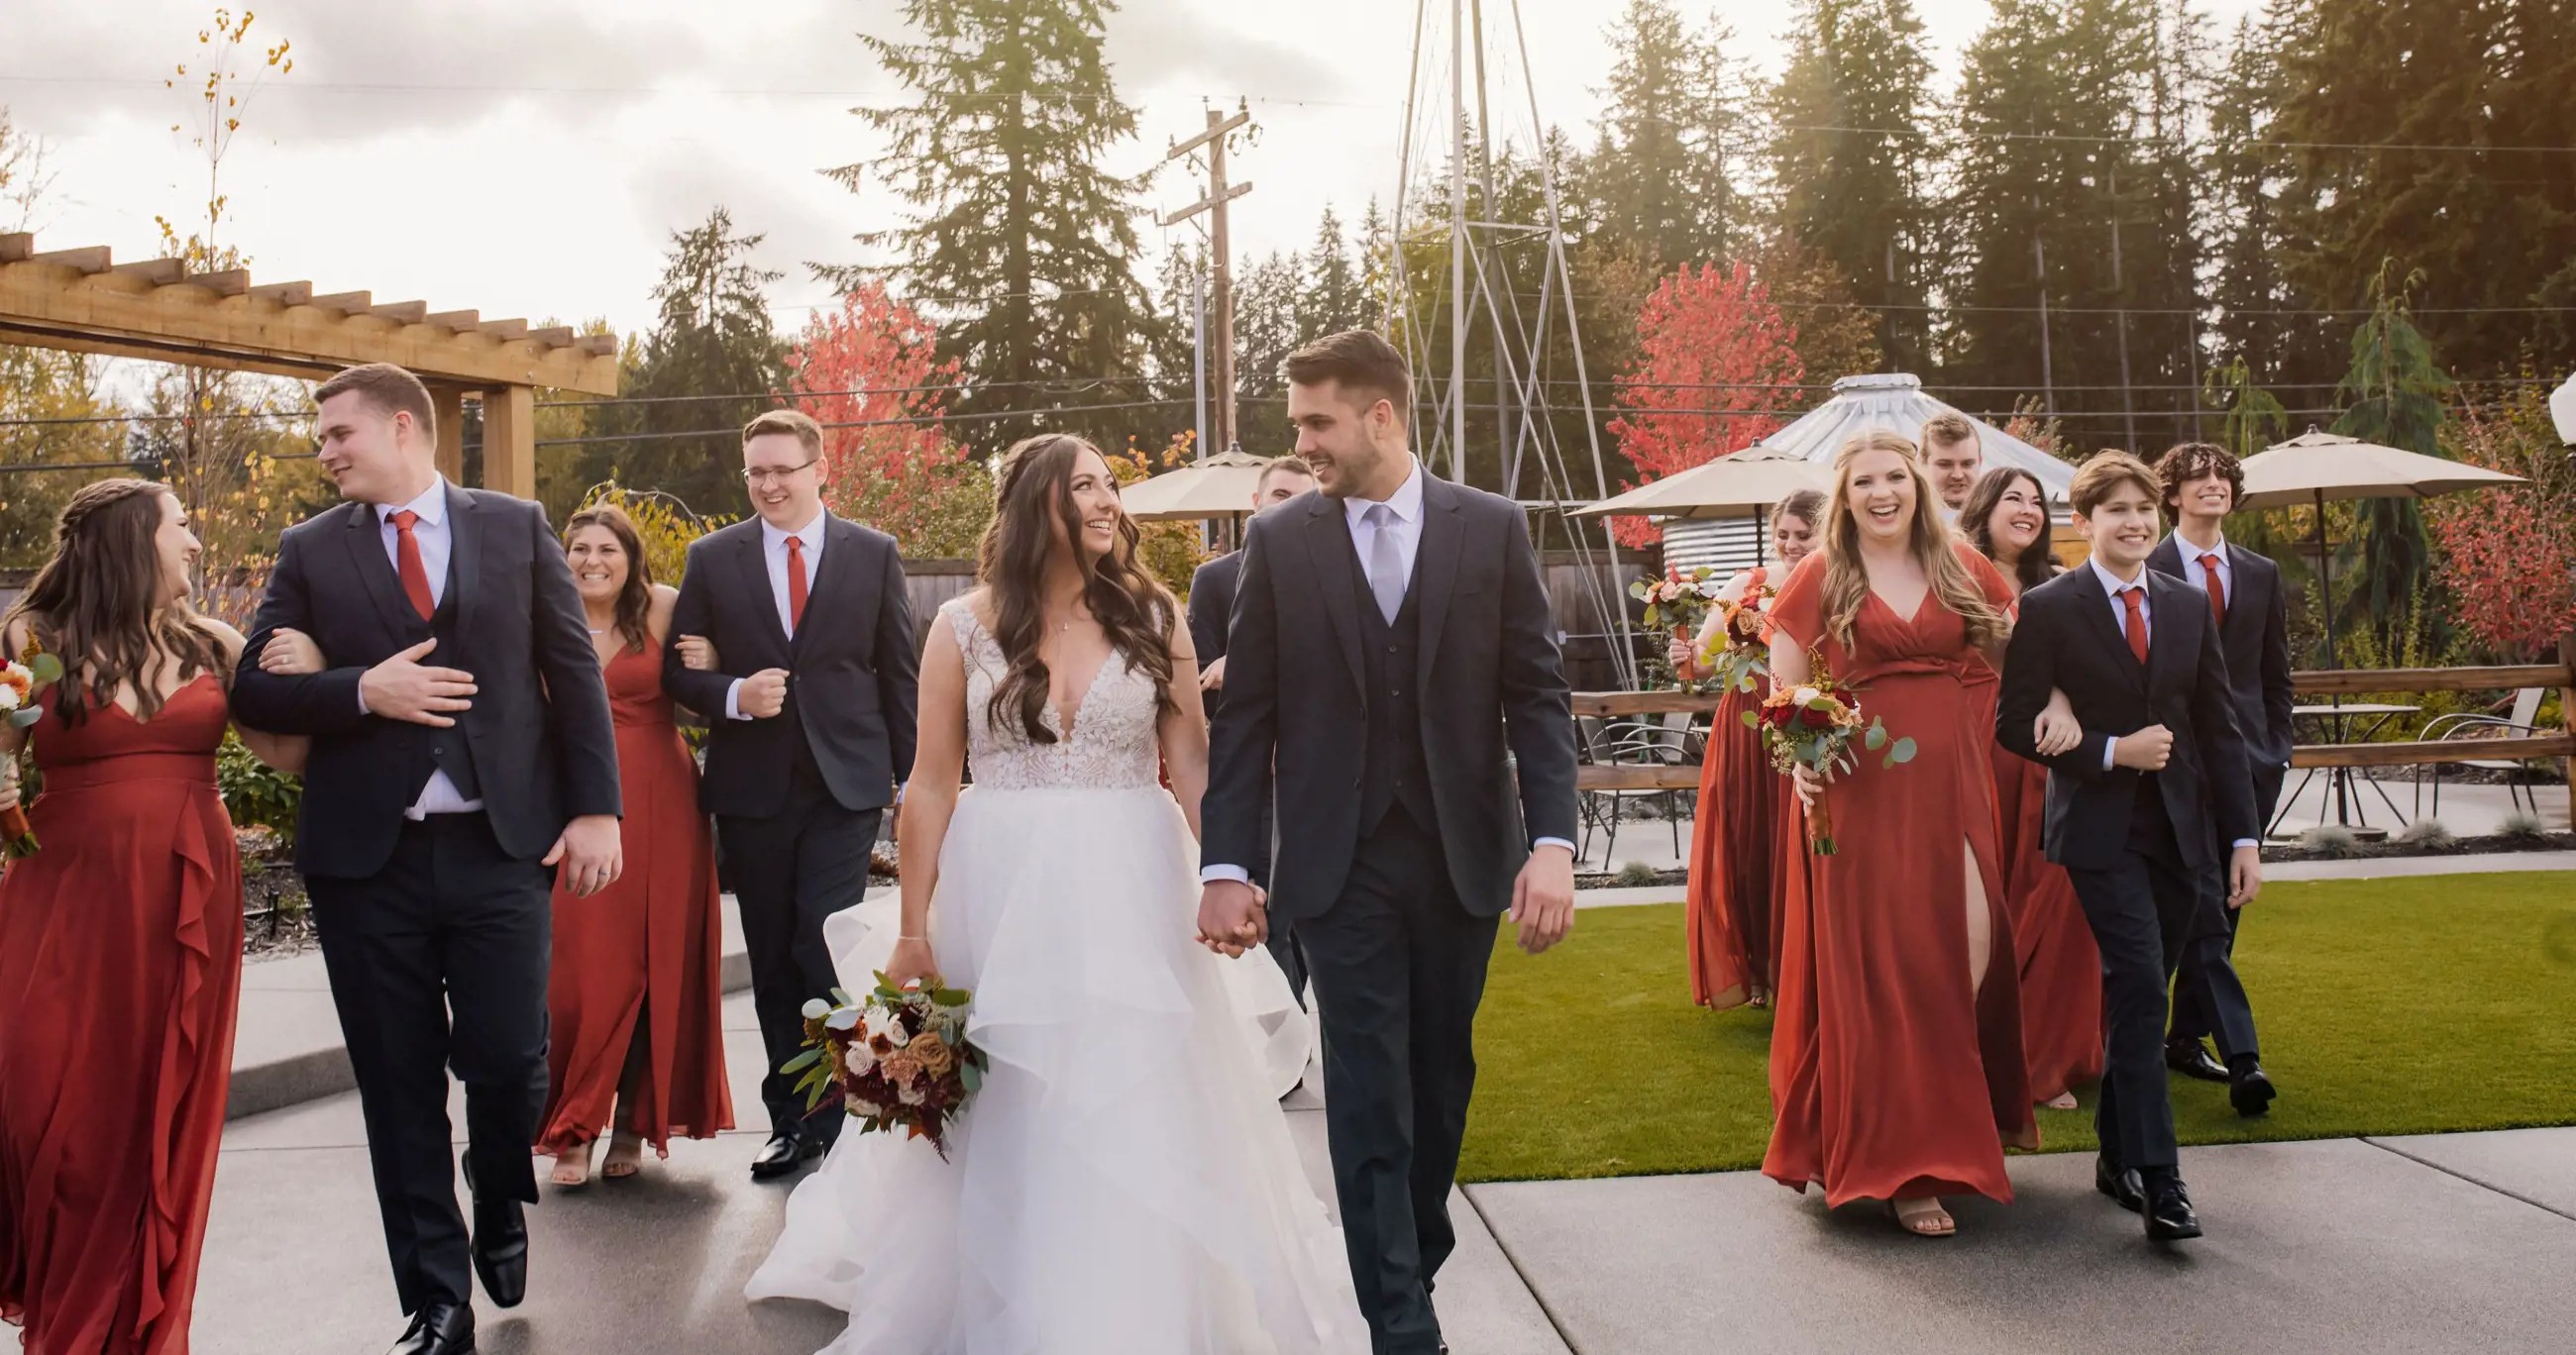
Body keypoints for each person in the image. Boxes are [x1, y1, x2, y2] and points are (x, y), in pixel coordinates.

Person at [745, 433, 1358, 1353]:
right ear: (1040, 503)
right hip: (1001, 889)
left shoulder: (1156, 614)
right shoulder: (960, 625)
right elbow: (932, 783)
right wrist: (913, 930)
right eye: (1087, 487)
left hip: (1136, 880)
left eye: (1113, 485)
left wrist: (1227, 873)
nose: (1110, 501)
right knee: (1011, 1094)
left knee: (1141, 1083)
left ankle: (1143, 1303)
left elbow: (1192, 759)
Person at [1200, 330, 1579, 1353]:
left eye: (1316, 423)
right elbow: (1247, 721)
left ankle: (1404, 1257)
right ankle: (1401, 1328)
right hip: (1336, 863)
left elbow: (1536, 701)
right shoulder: (1280, 546)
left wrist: (1552, 842)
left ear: (1380, 416)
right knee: (1366, 1090)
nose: (1303, 444)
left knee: (1438, 1084)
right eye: (1298, 427)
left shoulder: (1490, 528)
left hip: (1461, 859)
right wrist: (1228, 864)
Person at [235, 363, 623, 1355]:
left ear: (401, 427)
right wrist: (362, 691)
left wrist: (595, 810)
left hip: (501, 846)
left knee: (508, 1061)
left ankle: (499, 1190)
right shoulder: (308, 552)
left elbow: (572, 673)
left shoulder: (512, 523)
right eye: (320, 439)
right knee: (397, 1082)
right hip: (367, 861)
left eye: (337, 435)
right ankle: (436, 1300)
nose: (323, 454)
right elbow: (256, 692)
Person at [0, 480, 304, 1355]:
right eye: (183, 528)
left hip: (185, 898)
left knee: (153, 1105)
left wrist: (324, 683)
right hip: (59, 896)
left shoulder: (215, 644)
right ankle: (64, 1302)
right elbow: (4, 751)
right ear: (135, 538)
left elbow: (284, 750)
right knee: (38, 1099)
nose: (198, 546)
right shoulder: (37, 643)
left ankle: (127, 1325)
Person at [1761, 429, 2036, 1240]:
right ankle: (1907, 1169)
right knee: (1883, 976)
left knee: (1962, 961)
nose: (1882, 493)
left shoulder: (1957, 565)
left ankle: (1929, 1140)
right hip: (1858, 793)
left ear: (1917, 485)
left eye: (1895, 478)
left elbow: (2020, 647)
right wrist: (1800, 764)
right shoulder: (1823, 573)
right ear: (1844, 498)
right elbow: (1785, 692)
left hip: (1953, 784)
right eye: (1864, 483)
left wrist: (2056, 703)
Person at [1995, 451, 2265, 1245]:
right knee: (2143, 985)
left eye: (2145, 509)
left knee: (2139, 996)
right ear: (2086, 524)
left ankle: (2116, 1157)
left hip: (2185, 837)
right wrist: (2110, 752)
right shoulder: (2050, 607)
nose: (2136, 522)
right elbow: (2013, 723)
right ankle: (2163, 1182)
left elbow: (2220, 730)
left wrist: (2243, 836)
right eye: (2116, 511)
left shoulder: (2185, 606)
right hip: (2099, 834)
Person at [662, 408, 920, 1183]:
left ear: (819, 469)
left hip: (846, 784)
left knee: (824, 939)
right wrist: (735, 692)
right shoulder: (712, 558)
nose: (769, 484)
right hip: (752, 789)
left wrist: (914, 782)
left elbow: (898, 674)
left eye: (783, 470)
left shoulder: (874, 554)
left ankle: (856, 1109)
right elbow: (679, 677)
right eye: (756, 472)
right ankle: (796, 1123)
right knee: (774, 957)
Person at [1959, 467, 2102, 1110]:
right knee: (1989, 899)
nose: (2028, 508)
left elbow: (2078, 664)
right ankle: (1976, 1051)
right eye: (2012, 497)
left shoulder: (2059, 587)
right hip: (1976, 744)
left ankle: (2045, 1053)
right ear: (1983, 507)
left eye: (2037, 500)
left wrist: (2067, 705)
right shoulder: (1953, 577)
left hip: (2048, 750)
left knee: (2058, 892)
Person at [2149, 442, 2286, 1113]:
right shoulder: (2143, 566)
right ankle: (2242, 1055)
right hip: (2172, 764)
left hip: (2250, 764)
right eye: (2196, 476)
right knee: (2200, 904)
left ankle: (2182, 1036)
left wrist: (2275, 749)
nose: (2212, 484)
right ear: (2171, 493)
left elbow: (2273, 674)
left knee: (2227, 904)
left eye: (2222, 475)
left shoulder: (2260, 573)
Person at [1667, 488, 1824, 1009]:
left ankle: (1807, 967)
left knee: (1800, 846)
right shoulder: (1747, 584)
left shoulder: (1837, 581)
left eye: (1804, 535)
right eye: (1784, 534)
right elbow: (1704, 665)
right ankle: (1761, 968)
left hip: (1807, 722)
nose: (1792, 544)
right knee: (1751, 842)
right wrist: (1685, 653)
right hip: (1748, 725)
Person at [1186, 454, 1318, 1001]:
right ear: (1256, 505)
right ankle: (1279, 1044)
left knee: (1319, 923)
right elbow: (1203, 678)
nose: (1295, 508)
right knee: (1267, 918)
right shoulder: (1215, 580)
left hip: (1318, 779)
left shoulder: (1334, 576)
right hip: (1254, 780)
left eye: (1307, 498)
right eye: (1283, 496)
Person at [1921, 411, 1986, 519]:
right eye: (1945, 465)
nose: (1958, 475)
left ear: (1980, 462)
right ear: (1923, 464)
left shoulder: (2000, 525)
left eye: (1967, 464)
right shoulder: (1905, 526)